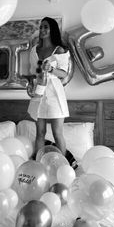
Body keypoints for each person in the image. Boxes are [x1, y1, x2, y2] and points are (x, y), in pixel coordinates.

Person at [27, 17, 70, 156]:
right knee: (40, 132)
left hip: (54, 93)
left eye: (46, 27)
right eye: (41, 27)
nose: (42, 30)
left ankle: (63, 166)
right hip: (39, 91)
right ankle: (39, 163)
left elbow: (64, 73)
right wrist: (33, 85)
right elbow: (34, 72)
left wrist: (51, 69)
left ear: (52, 29)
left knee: (57, 133)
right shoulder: (34, 50)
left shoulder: (59, 50)